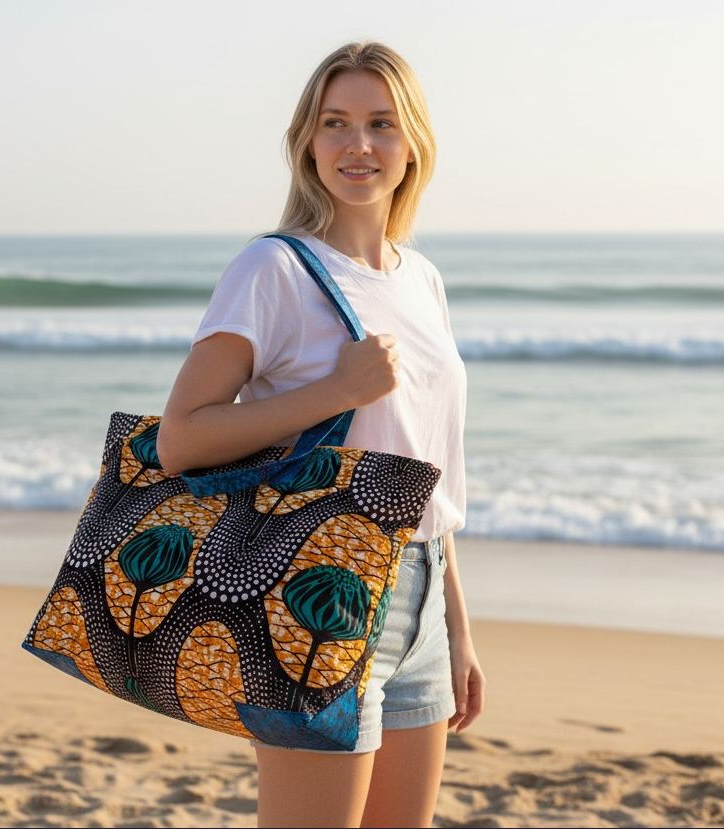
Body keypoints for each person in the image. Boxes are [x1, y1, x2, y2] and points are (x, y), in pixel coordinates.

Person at [156, 40, 485, 829]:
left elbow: (424, 467)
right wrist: (333, 392)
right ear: (307, 141)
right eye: (334, 122)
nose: (357, 144)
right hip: (318, 590)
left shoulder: (421, 278)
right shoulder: (272, 269)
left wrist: (456, 628)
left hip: (421, 595)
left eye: (380, 123)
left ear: (413, 143)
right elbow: (181, 439)